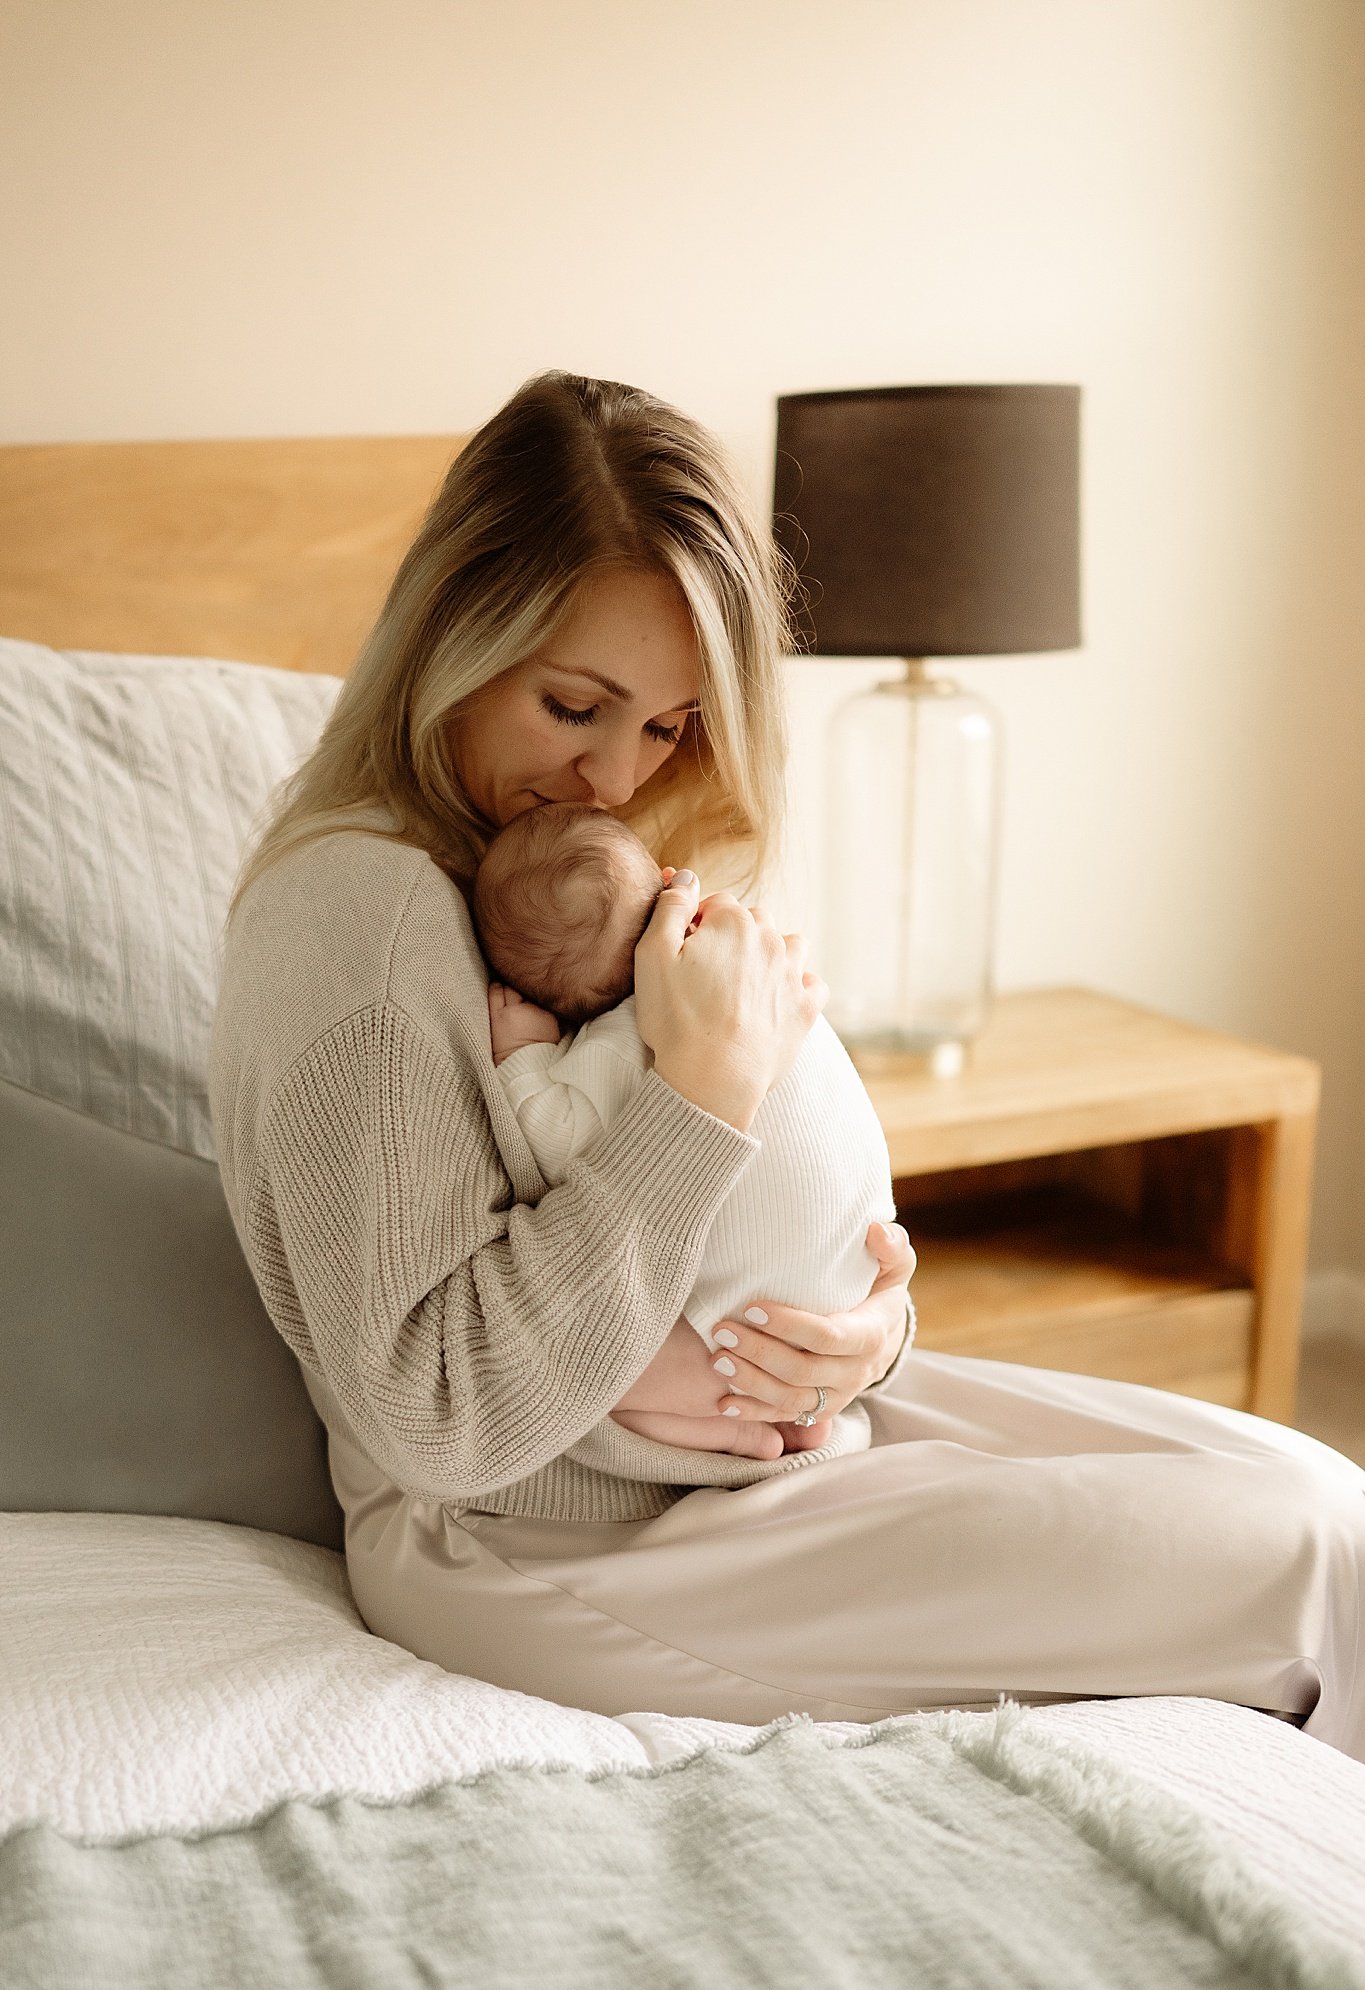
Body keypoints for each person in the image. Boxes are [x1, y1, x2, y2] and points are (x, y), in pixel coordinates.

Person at [209, 370, 1365, 1760]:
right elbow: (443, 1410)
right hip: (561, 1539)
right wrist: (700, 1096)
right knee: (1307, 1561)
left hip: (714, 1461)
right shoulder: (362, 918)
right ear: (452, 635)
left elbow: (715, 1213)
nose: (614, 779)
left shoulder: (539, 862)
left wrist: (865, 1336)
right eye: (574, 705)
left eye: (667, 725)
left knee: (1310, 1486)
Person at [471, 799, 906, 1459]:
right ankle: (792, 1414)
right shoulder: (758, 979)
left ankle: (738, 1430)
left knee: (622, 1403)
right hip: (861, 1263)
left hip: (752, 1324)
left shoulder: (610, 1051)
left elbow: (557, 1143)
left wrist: (526, 1060)